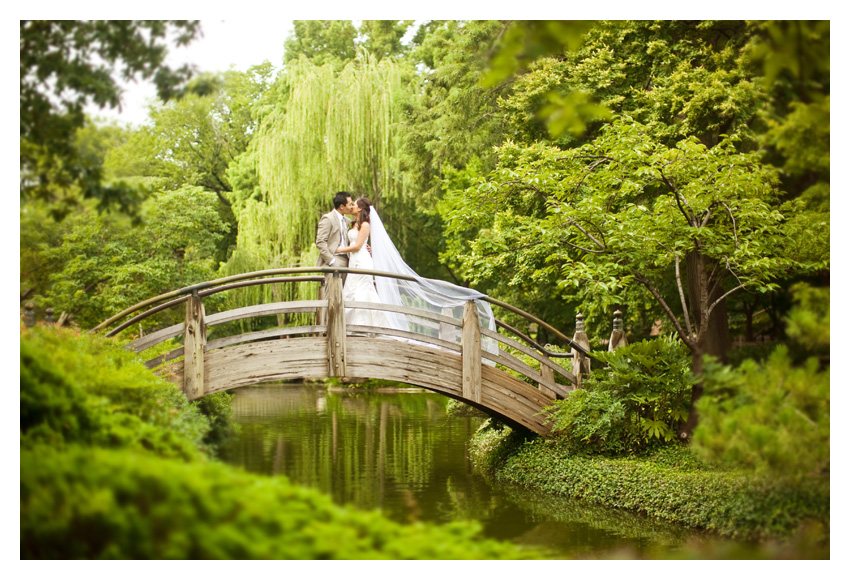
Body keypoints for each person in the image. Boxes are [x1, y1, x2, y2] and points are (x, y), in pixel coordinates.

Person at [334, 198, 389, 329]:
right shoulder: (353, 224)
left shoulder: (365, 225)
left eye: (354, 204)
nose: (351, 206)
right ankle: (350, 326)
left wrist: (338, 250)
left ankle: (364, 326)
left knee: (362, 291)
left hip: (362, 261)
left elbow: (358, 246)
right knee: (351, 290)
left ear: (360, 208)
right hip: (353, 261)